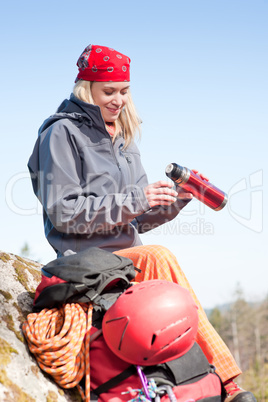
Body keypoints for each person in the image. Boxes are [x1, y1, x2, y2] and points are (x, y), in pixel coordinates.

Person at [28, 44, 256, 402]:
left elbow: (137, 220)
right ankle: (228, 383)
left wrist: (175, 202)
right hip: (83, 262)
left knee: (154, 253)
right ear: (86, 88)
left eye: (124, 91)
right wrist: (137, 199)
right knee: (159, 257)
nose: (118, 100)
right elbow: (64, 212)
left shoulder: (125, 140)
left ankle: (204, 382)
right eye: (109, 92)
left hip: (126, 258)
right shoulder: (60, 134)